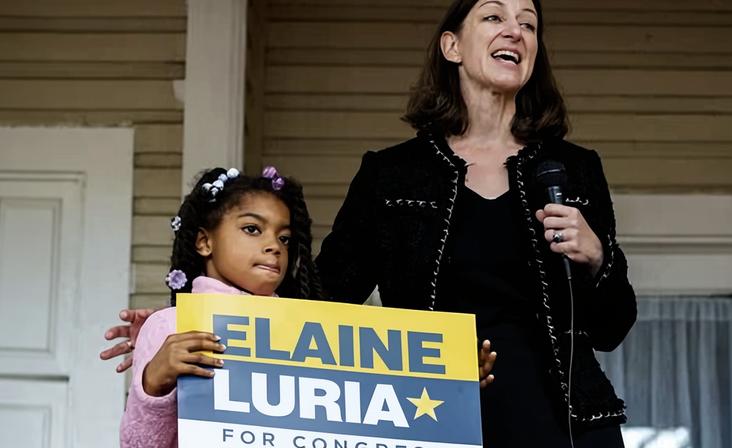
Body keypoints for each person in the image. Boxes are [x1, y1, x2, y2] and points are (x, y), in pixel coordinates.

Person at [105, 0, 635, 446]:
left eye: (528, 23)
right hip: (430, 420)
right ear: (452, 46)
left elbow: (613, 327)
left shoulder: (573, 169)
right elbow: (322, 297)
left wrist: (598, 257)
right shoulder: (392, 176)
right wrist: (210, 315)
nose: (514, 31)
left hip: (566, 424)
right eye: (493, 17)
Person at [119, 167, 323, 448]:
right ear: (204, 242)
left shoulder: (308, 331)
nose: (274, 246)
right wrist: (155, 382)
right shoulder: (170, 326)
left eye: (284, 238)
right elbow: (137, 445)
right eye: (252, 229)